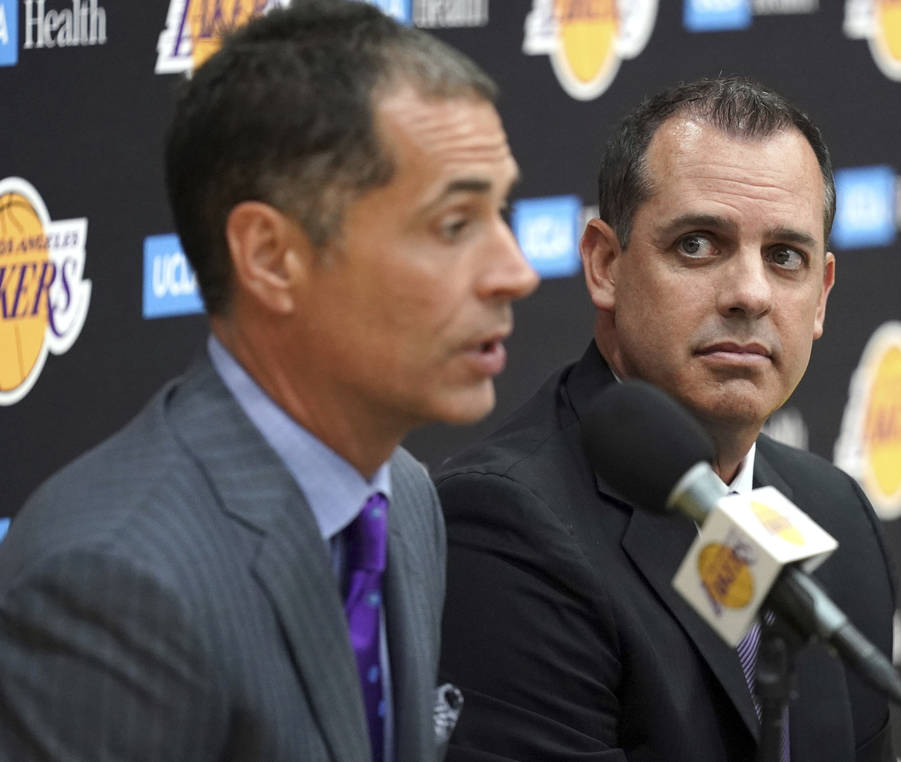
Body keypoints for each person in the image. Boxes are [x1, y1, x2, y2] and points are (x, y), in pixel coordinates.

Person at [0, 2, 537, 760]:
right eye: (454, 225)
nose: (515, 272)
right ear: (270, 257)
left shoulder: (406, 498)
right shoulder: (112, 580)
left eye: (502, 211)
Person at [436, 76, 895, 761]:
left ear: (821, 295)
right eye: (698, 245)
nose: (749, 293)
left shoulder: (838, 516)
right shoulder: (511, 524)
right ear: (604, 265)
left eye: (784, 257)